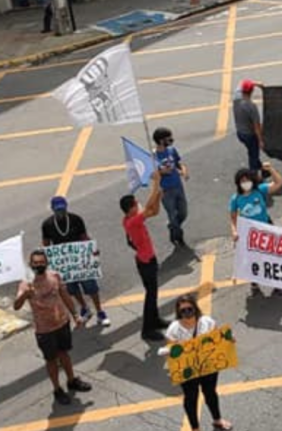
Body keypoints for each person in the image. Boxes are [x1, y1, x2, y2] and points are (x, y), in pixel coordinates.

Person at [13, 250, 93, 405]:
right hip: (44, 330)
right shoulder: (26, 283)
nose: (39, 265)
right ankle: (57, 389)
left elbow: (65, 296)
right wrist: (24, 295)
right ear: (31, 265)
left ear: (46, 263)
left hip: (62, 323)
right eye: (35, 263)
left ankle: (71, 380)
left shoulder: (54, 276)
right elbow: (16, 306)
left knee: (64, 354)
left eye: (41, 262)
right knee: (51, 360)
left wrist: (75, 315)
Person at [166, 294, 233, 431]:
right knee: (191, 398)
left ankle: (217, 420)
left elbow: (217, 339)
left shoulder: (207, 322)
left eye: (189, 309)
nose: (187, 313)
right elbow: (171, 350)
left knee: (210, 393)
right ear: (179, 312)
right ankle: (195, 428)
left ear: (195, 308)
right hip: (188, 370)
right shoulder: (174, 329)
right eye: (183, 310)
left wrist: (229, 339)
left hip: (208, 367)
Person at [40, 197, 110, 327]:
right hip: (64, 264)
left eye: (62, 209)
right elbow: (46, 245)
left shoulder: (76, 220)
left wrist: (92, 249)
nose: (60, 213)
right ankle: (84, 307)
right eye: (57, 210)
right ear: (53, 210)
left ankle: (100, 311)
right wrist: (46, 259)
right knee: (72, 289)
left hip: (81, 260)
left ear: (66, 207)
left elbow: (84, 237)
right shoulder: (47, 224)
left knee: (91, 286)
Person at [120, 170, 169, 341]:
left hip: (149, 258)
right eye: (136, 203)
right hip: (145, 262)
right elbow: (148, 208)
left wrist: (158, 196)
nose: (138, 205)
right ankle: (147, 330)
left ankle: (155, 320)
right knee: (150, 295)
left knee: (153, 293)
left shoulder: (132, 219)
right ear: (131, 208)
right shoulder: (132, 221)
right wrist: (156, 183)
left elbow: (153, 211)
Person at [230, 167, 282, 296]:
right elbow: (233, 218)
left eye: (247, 180)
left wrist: (271, 169)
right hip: (250, 233)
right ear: (238, 183)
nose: (245, 183)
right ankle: (254, 282)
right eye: (242, 181)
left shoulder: (260, 190)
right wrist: (234, 231)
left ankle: (276, 284)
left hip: (266, 229)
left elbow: (278, 183)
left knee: (271, 257)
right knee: (253, 258)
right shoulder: (235, 198)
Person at [154, 127, 189, 247]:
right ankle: (178, 237)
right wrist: (161, 172)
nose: (171, 141)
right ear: (160, 140)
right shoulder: (154, 156)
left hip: (178, 186)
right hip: (166, 190)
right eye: (168, 139)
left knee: (183, 212)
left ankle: (173, 227)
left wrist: (184, 171)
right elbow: (152, 175)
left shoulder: (172, 150)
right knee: (172, 215)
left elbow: (179, 163)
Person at [233, 80, 265, 176]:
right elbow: (256, 126)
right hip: (250, 135)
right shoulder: (251, 106)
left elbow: (243, 82)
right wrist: (260, 141)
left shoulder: (236, 99)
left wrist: (254, 83)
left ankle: (264, 170)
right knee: (253, 156)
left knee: (252, 152)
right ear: (252, 91)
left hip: (240, 133)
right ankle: (253, 176)